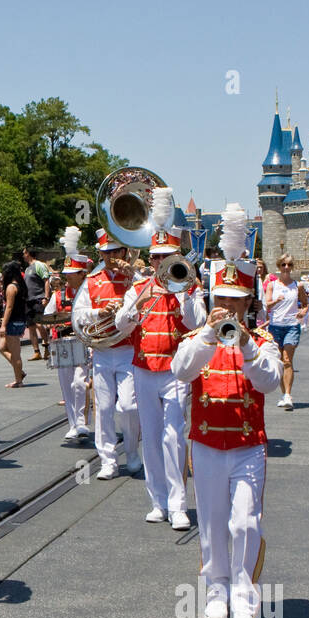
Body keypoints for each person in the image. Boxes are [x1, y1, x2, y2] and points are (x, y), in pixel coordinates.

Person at [171, 237, 281, 618]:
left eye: (238, 300)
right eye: (223, 299)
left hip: (248, 448)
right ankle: (216, 591)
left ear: (250, 302)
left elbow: (269, 382)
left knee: (245, 524)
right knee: (214, 524)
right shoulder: (197, 339)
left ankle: (244, 600)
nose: (230, 307)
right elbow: (182, 371)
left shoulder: (264, 342)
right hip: (206, 445)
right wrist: (209, 333)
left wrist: (247, 343)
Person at [116, 215, 204, 531]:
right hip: (143, 369)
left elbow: (197, 323)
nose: (160, 262)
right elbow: (120, 325)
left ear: (176, 257)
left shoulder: (190, 287)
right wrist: (138, 301)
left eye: (167, 256)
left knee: (174, 436)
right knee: (151, 437)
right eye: (156, 256)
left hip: (175, 371)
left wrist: (184, 292)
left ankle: (179, 505)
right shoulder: (140, 288)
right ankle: (158, 501)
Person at [71, 226, 141, 480]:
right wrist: (98, 313)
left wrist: (134, 277)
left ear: (124, 251)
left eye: (115, 251)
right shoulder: (92, 282)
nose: (111, 257)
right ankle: (108, 460)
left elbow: (152, 299)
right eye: (106, 252)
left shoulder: (136, 279)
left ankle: (132, 452)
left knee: (129, 406)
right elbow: (78, 316)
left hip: (128, 349)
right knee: (103, 408)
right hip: (101, 349)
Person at [45, 230, 93, 441]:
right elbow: (47, 316)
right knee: (66, 385)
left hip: (82, 341)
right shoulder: (58, 295)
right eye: (67, 273)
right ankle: (74, 424)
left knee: (79, 383)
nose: (67, 277)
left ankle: (82, 421)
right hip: (63, 341)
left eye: (72, 273)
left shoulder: (91, 292)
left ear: (82, 274)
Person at [263, 253, 307, 410]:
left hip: (291, 325)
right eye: (283, 265)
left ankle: (288, 394)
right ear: (279, 267)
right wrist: (276, 300)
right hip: (275, 326)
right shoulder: (272, 285)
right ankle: (283, 394)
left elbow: (305, 303)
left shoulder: (298, 285)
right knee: (280, 362)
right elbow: (267, 305)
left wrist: (303, 312)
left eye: (289, 265)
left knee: (287, 359)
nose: (286, 267)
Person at [0, 261, 27, 388]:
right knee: (2, 347)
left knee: (15, 353)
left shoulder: (11, 287)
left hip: (12, 321)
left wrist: (3, 325)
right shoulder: (21, 285)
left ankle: (18, 380)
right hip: (20, 320)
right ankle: (19, 371)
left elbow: (9, 307)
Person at [21, 246, 50, 361]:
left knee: (39, 324)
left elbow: (46, 280)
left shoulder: (39, 265)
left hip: (38, 298)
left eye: (24, 253)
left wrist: (46, 297)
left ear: (28, 253)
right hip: (28, 300)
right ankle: (36, 351)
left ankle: (47, 346)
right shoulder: (28, 268)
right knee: (31, 326)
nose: (23, 255)